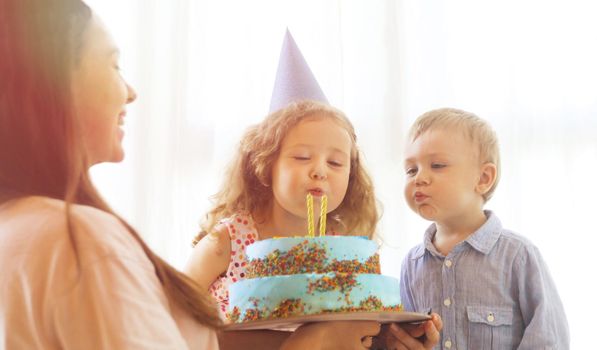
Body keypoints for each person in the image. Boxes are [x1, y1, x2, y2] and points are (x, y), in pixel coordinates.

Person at [0, 0, 384, 348]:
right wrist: (320, 342)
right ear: (52, 83)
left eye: (336, 162)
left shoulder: (20, 224)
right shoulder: (82, 241)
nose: (131, 91)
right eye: (114, 64)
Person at [399, 107, 570, 349]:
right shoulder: (411, 265)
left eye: (437, 165)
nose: (419, 178)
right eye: (411, 170)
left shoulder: (518, 256)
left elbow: (548, 338)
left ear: (483, 178)